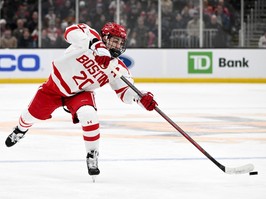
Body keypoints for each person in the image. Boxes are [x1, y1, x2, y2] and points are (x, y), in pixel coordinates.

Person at [5, 22, 157, 179]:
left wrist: (141, 98)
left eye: (120, 43)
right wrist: (96, 45)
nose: (118, 46)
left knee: (88, 114)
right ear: (105, 37)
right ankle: (20, 130)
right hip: (54, 88)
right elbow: (70, 31)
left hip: (80, 93)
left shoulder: (117, 67)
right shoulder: (90, 37)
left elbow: (125, 92)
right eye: (114, 41)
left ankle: (92, 154)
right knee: (29, 116)